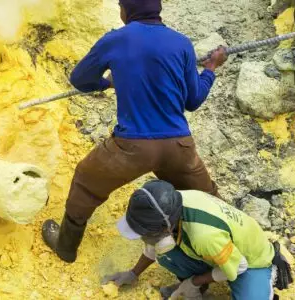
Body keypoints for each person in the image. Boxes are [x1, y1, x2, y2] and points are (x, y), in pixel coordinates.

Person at [41, 0, 228, 263]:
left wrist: (107, 82)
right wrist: (210, 69)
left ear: (126, 10)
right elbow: (193, 100)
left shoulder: (115, 40)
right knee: (207, 198)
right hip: (179, 147)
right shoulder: (181, 43)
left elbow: (79, 79)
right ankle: (234, 240)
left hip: (131, 148)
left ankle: (66, 247)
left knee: (85, 180)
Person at [103, 180, 293, 300]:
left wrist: (192, 282)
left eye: (145, 232)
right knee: (164, 250)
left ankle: (270, 272)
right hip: (217, 249)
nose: (142, 237)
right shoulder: (169, 204)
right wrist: (133, 273)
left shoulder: (204, 236)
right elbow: (153, 245)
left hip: (250, 261)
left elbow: (238, 267)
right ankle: (200, 284)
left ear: (166, 226)